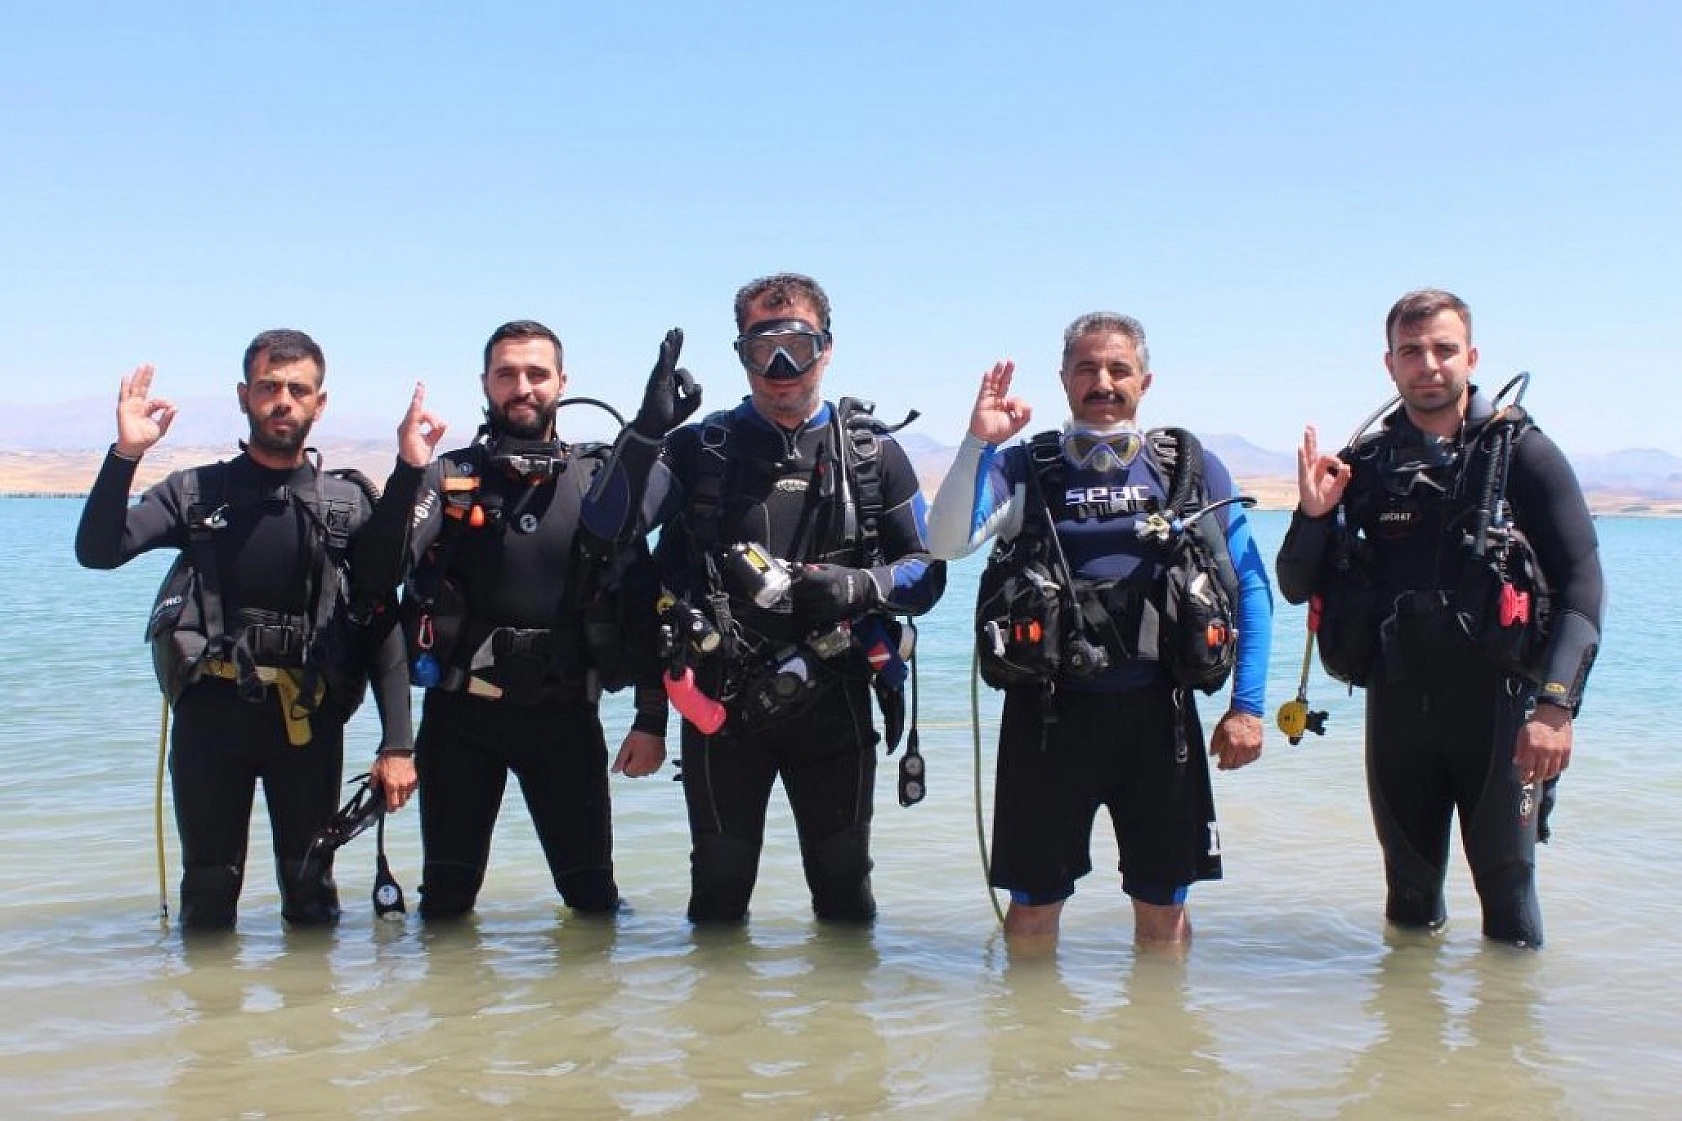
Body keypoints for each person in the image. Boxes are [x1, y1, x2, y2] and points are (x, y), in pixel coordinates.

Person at [581, 272, 946, 923]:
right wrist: (646, 430)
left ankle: (844, 998)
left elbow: (928, 575)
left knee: (846, 893)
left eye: (796, 347)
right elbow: (605, 529)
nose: (780, 368)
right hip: (721, 708)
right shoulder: (699, 449)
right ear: (740, 355)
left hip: (836, 697)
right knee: (718, 894)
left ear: (826, 348)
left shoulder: (873, 456)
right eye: (761, 348)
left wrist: (860, 585)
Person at [925, 312, 1272, 945]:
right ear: (1064, 379)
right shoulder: (1025, 468)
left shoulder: (1190, 470)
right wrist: (978, 444)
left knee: (1164, 911)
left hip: (1160, 717)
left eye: (1118, 368)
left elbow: (1250, 586)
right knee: (1032, 912)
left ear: (1145, 381)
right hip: (1047, 721)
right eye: (1086, 368)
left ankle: (1160, 1015)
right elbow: (945, 542)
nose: (1103, 382)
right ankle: (1032, 1016)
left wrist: (1247, 706)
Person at [1274, 288, 1603, 948]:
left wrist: (1555, 708)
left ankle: (1511, 1019)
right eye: (1411, 351)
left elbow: (1582, 585)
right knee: (1408, 900)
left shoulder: (1523, 455)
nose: (1428, 364)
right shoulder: (1365, 467)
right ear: (1389, 364)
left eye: (1443, 349)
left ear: (1471, 357)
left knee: (1509, 900)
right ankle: (1406, 1018)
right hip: (1398, 712)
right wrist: (1312, 516)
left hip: (1503, 714)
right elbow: (1294, 584)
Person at [74, 330, 417, 931]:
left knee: (311, 892)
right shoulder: (195, 493)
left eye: (298, 390)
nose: (283, 400)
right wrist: (125, 454)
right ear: (243, 396)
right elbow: (99, 551)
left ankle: (313, 995)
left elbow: (380, 623)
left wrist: (397, 744)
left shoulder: (346, 506)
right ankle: (206, 994)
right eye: (268, 387)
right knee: (208, 891)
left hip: (307, 720)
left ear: (319, 403)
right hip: (211, 718)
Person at [355, 319, 668, 921]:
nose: (522, 387)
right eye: (506, 374)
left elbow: (641, 600)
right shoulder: (451, 479)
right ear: (485, 383)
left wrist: (650, 719)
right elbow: (375, 576)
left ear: (562, 382)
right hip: (460, 721)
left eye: (536, 374)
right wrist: (408, 469)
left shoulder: (598, 481)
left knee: (593, 905)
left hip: (566, 720)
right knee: (444, 908)